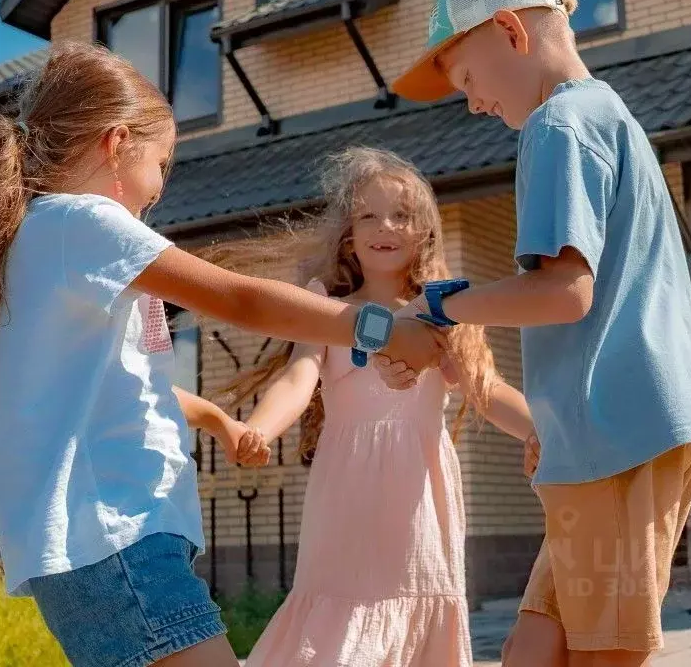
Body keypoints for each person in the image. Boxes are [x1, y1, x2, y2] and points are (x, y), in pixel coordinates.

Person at [0, 41, 438, 667]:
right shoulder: (82, 222)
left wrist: (217, 418)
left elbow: (123, 386)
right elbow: (242, 301)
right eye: (163, 163)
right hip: (116, 538)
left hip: (108, 546)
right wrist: (381, 329)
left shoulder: (54, 239)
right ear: (116, 144)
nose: (162, 188)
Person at [385, 0, 691, 667]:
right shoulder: (605, 114)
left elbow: (564, 293)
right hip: (614, 426)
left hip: (618, 431)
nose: (474, 104)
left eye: (469, 82)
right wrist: (556, 423)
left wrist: (445, 309)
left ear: (509, 30)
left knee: (603, 652)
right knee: (533, 646)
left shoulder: (556, 125)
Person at [208, 147, 537, 666]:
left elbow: (485, 389)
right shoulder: (329, 306)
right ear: (348, 234)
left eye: (402, 215)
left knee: (416, 593)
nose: (385, 226)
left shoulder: (445, 307)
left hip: (418, 492)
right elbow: (300, 376)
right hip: (347, 488)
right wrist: (260, 429)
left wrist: (542, 433)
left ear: (426, 230)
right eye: (368, 214)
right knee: (339, 616)